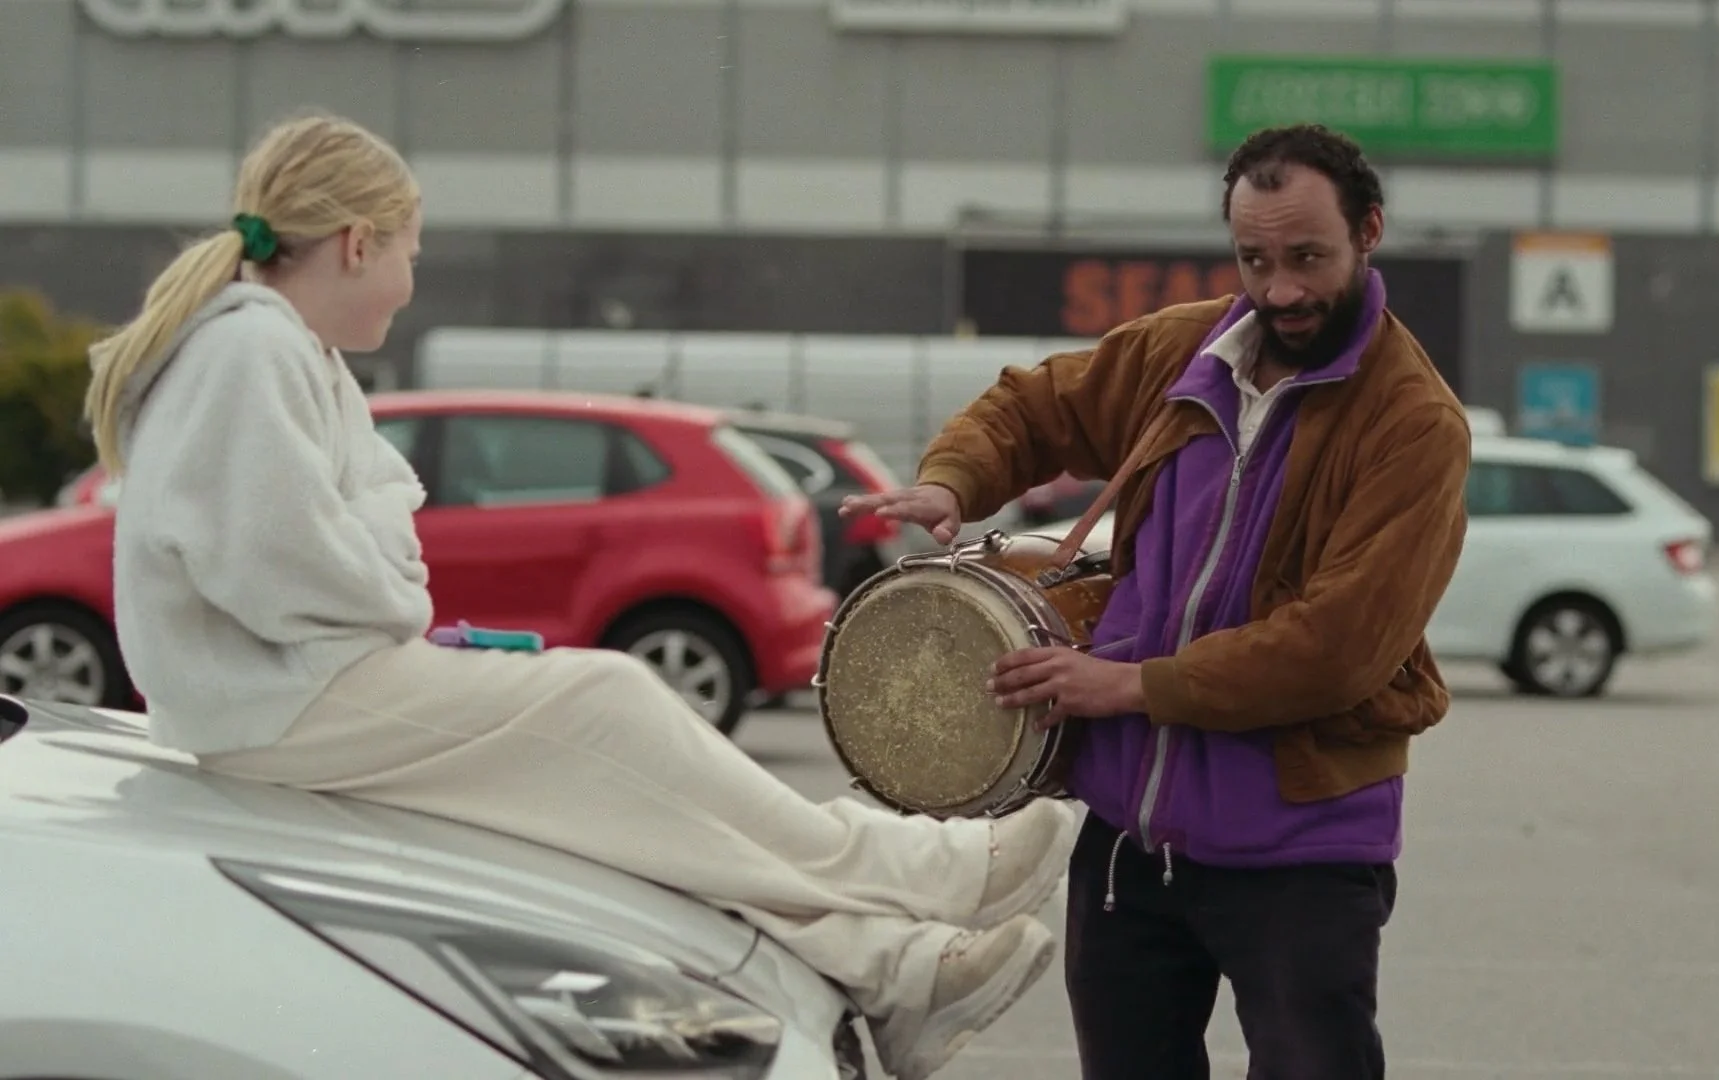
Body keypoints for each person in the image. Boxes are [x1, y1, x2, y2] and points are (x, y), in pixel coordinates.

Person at [84, 111, 1079, 1080]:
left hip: (283, 696)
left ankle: (893, 965)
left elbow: (319, 543)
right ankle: (921, 877)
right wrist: (389, 570)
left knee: (611, 797)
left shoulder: (272, 348)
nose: (409, 282)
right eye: (409, 254)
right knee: (609, 705)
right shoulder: (252, 350)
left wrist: (380, 560)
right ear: (356, 244)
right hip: (285, 702)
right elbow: (287, 563)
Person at [842, 123, 1472, 1079]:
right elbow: (1035, 406)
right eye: (1254, 259)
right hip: (1131, 845)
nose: (1280, 291)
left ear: (1369, 232)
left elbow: (1339, 646)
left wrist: (1129, 686)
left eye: (1307, 258)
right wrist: (953, 481)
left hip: (1303, 851)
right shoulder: (1185, 351)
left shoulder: (1414, 423)